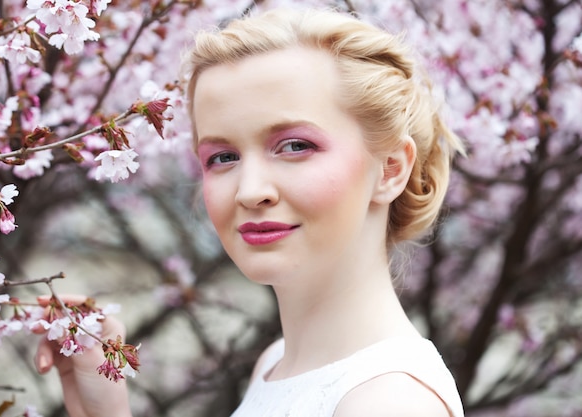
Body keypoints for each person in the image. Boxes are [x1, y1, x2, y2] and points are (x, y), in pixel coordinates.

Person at [35, 7, 465, 417]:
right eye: (222, 157)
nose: (250, 191)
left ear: (390, 169)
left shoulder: (389, 402)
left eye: (296, 146)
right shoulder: (276, 365)